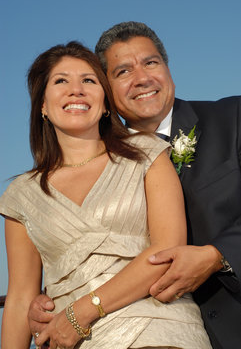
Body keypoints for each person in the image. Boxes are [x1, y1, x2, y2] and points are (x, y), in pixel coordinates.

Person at [28, 22, 241, 349]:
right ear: (105, 89)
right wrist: (51, 299)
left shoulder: (233, 116)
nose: (142, 78)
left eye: (151, 63)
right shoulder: (96, 170)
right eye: (123, 71)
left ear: (167, 68)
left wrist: (218, 255)